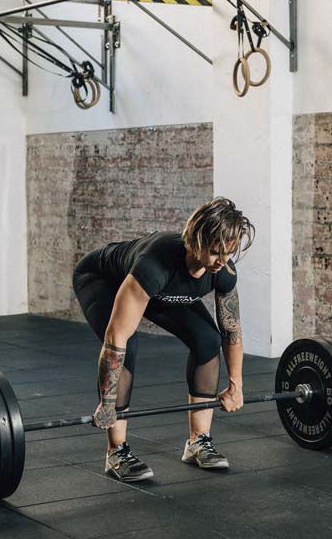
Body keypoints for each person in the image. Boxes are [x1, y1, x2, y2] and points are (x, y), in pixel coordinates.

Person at [72, 197, 254, 482]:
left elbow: (232, 331)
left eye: (228, 252)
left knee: (207, 338)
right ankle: (116, 451)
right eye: (216, 251)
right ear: (195, 241)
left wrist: (236, 386)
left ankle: (198, 442)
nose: (223, 260)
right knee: (127, 345)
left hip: (161, 291)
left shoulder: (223, 271)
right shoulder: (154, 264)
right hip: (102, 280)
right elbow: (115, 338)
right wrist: (107, 404)